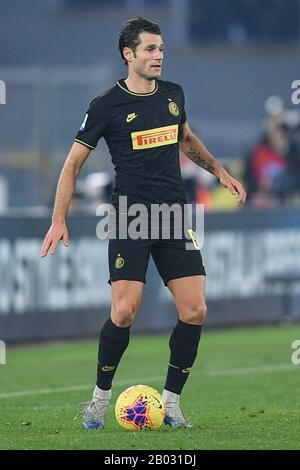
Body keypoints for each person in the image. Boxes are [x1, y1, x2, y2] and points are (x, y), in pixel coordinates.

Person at [40, 17, 246, 429]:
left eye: (162, 49)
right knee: (124, 312)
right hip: (131, 217)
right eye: (150, 49)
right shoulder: (105, 106)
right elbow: (72, 165)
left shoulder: (172, 95)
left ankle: (170, 404)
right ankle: (99, 401)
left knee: (195, 309)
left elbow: (185, 138)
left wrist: (219, 172)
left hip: (173, 216)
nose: (159, 57)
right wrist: (58, 218)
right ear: (128, 54)